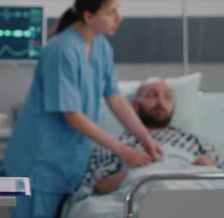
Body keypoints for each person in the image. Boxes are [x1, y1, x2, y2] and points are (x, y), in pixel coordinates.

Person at [3, 0, 163, 218]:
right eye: (110, 12)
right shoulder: (61, 51)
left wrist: (145, 138)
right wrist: (123, 150)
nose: (118, 18)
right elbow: (73, 117)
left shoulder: (101, 47)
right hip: (40, 162)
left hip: (69, 163)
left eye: (117, 11)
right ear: (88, 15)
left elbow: (116, 99)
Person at [83, 77, 223, 194]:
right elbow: (95, 186)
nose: (160, 102)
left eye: (167, 97)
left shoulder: (196, 141)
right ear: (134, 105)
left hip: (193, 192)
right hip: (143, 191)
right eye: (152, 95)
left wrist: (207, 168)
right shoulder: (118, 143)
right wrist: (139, 173)